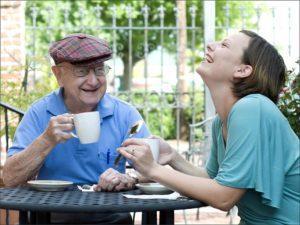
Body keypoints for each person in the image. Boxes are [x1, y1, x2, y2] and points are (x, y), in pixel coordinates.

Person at [118, 30, 300, 225]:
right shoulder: (221, 121)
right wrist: (172, 156)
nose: (211, 45)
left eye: (225, 45)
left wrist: (153, 169)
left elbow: (224, 197)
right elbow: (212, 179)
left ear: (242, 70)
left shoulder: (253, 108)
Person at [3, 33, 150, 224]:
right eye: (82, 71)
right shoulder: (40, 112)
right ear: (58, 75)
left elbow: (155, 172)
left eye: (99, 70)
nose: (93, 81)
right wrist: (46, 140)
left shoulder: (126, 114)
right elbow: (10, 178)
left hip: (111, 215)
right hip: (50, 215)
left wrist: (130, 178)